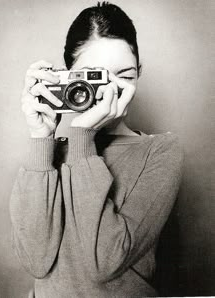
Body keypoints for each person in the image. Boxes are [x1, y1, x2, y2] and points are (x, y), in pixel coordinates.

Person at [10, 2, 183, 297]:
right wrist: (40, 138)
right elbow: (36, 262)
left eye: (125, 77)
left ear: (139, 73)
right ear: (67, 78)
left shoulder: (162, 151)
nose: (108, 91)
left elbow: (104, 262)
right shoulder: (48, 153)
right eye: (93, 77)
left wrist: (83, 135)